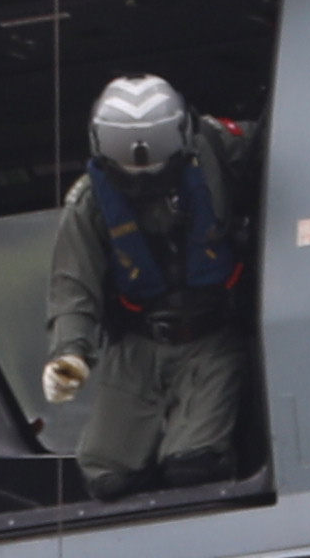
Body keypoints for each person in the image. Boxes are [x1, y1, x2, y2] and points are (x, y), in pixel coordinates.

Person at [36, 73, 252, 492]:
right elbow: (73, 285)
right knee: (109, 476)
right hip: (136, 343)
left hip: (213, 335)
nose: (144, 186)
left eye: (156, 173)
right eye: (130, 175)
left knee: (195, 467)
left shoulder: (226, 152)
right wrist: (70, 353)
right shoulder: (91, 202)